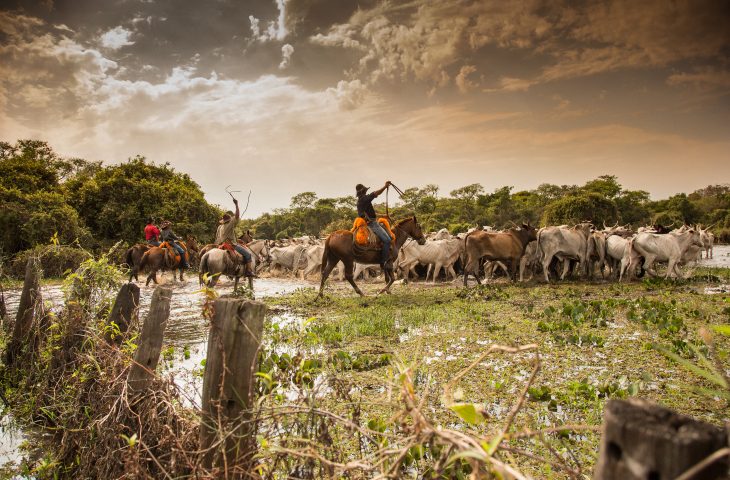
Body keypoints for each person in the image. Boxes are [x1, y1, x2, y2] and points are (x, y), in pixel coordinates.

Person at [215, 198, 256, 278]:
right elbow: (237, 215)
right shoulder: (229, 224)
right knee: (248, 255)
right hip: (231, 245)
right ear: (229, 220)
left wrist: (238, 240)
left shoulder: (221, 226)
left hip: (222, 244)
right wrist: (236, 205)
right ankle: (249, 271)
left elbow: (226, 237)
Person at [356, 181, 393, 266]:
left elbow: (371, 213)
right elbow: (376, 193)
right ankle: (384, 261)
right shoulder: (364, 199)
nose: (366, 191)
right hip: (371, 224)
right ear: (362, 191)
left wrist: (383, 216)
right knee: (387, 240)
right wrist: (384, 187)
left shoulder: (361, 201)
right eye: (365, 190)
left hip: (370, 222)